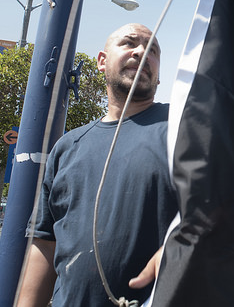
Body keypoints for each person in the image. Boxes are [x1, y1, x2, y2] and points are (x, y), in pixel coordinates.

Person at [18, 24, 178, 306]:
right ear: (102, 62)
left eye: (152, 50)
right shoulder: (67, 147)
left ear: (159, 74)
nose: (141, 51)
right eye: (129, 43)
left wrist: (182, 246)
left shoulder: (184, 128)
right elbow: (44, 243)